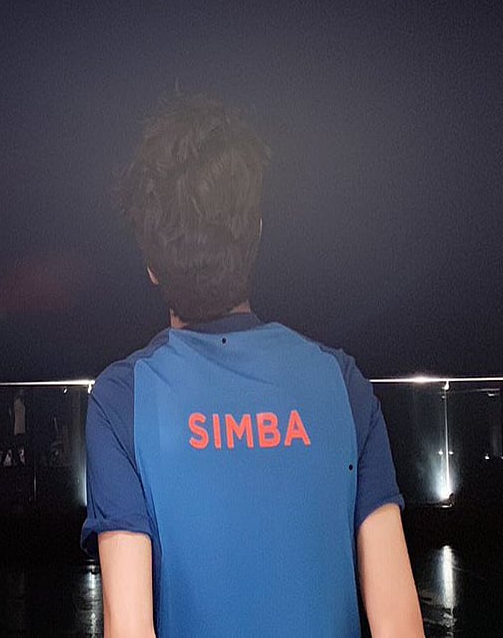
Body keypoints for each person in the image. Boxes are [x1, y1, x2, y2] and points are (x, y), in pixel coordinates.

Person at [81, 94, 422, 636]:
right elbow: (399, 623)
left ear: (151, 264)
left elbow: (129, 627)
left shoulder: (121, 401)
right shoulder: (342, 385)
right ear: (256, 232)